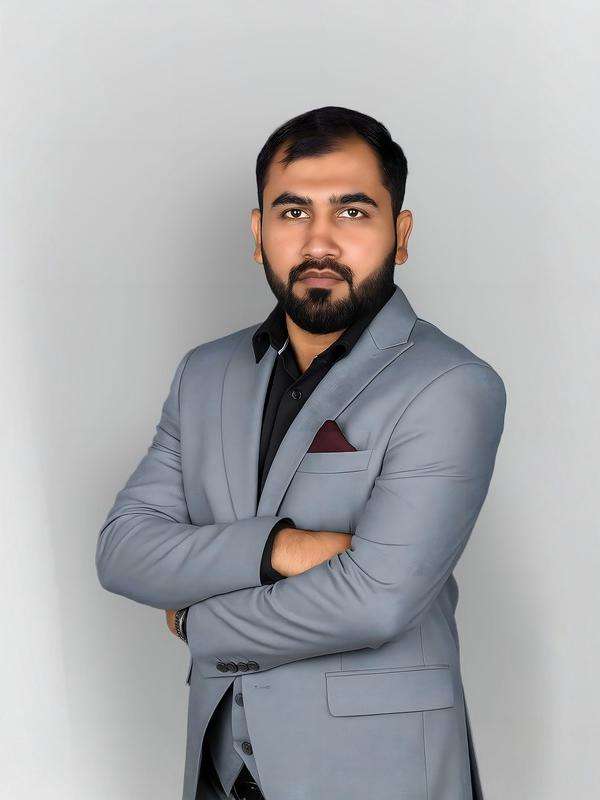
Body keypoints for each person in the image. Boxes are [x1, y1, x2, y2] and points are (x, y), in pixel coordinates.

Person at [96, 105, 506, 800]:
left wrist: (196, 619)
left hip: (377, 773)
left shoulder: (451, 384)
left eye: (352, 212)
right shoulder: (205, 373)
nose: (319, 241)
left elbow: (376, 601)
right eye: (293, 213)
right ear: (259, 234)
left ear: (401, 234)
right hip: (221, 769)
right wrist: (279, 549)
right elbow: (123, 549)